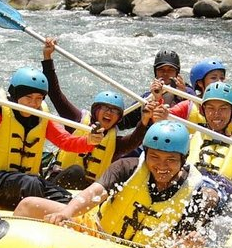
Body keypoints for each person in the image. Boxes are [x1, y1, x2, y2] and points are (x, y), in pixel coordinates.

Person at [14, 120, 222, 248]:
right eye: (154, 157)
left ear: (183, 160)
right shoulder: (127, 167)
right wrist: (68, 212)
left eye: (170, 160)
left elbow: (181, 241)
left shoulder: (194, 193)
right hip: (98, 230)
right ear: (146, 155)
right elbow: (94, 192)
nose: (161, 166)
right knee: (28, 206)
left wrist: (190, 245)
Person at [0, 67, 104, 210]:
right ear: (16, 95)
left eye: (39, 98)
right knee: (31, 183)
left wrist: (89, 141)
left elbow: (66, 141)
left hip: (28, 181)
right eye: (28, 98)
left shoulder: (42, 117)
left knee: (68, 201)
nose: (33, 103)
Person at [40, 38, 163, 189]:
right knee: (76, 172)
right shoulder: (76, 120)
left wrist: (146, 119)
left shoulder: (115, 144)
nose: (109, 113)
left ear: (119, 118)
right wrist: (47, 58)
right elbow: (55, 94)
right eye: (105, 108)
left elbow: (136, 139)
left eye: (114, 111)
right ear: (95, 111)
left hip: (87, 194)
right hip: (58, 183)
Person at [162, 58, 232, 149]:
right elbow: (162, 122)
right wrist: (159, 103)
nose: (219, 82)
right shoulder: (189, 105)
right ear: (200, 83)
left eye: (222, 78)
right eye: (214, 78)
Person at [118, 48, 194, 130]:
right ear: (156, 73)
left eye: (170, 70)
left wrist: (183, 96)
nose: (165, 73)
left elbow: (199, 114)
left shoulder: (187, 92)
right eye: (161, 70)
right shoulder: (147, 98)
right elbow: (124, 121)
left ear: (177, 73)